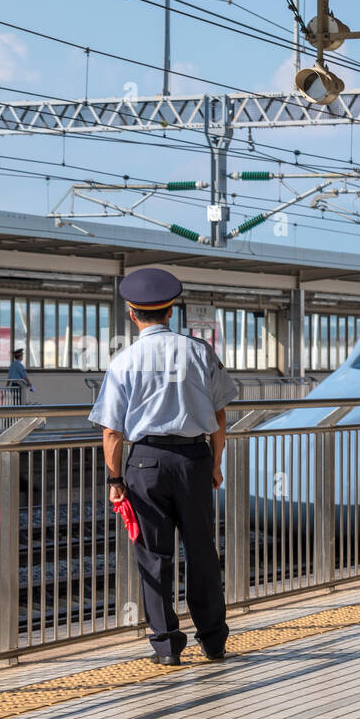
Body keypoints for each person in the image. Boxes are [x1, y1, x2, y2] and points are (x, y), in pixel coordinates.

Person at [89, 267, 239, 666]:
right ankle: (213, 642)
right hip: (194, 458)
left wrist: (115, 479)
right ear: (171, 311)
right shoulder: (200, 351)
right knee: (202, 551)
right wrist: (215, 463)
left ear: (133, 315)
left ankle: (167, 646)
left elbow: (112, 431)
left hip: (145, 463)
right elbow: (221, 415)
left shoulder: (123, 361)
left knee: (153, 555)